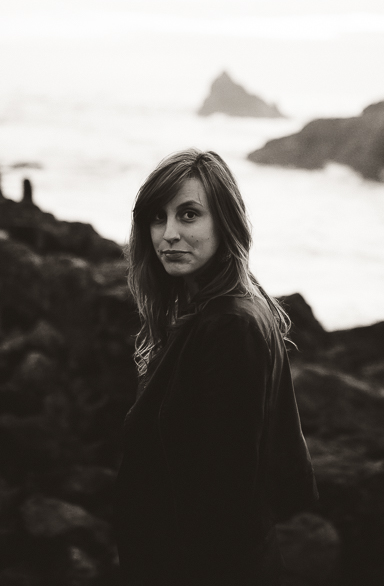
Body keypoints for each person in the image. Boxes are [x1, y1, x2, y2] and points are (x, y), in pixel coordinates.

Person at [114, 149, 318, 585]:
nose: (168, 234)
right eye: (157, 217)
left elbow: (225, 498)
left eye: (189, 215)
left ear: (225, 221)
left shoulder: (229, 326)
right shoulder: (217, 308)